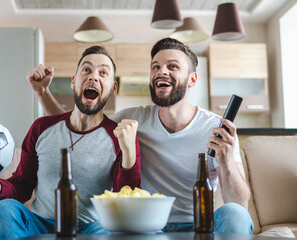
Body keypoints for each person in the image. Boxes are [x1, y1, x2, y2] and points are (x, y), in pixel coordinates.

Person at [31, 38, 253, 234]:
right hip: (147, 226)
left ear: (192, 79)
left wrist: (226, 162)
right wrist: (43, 93)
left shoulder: (216, 128)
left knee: (235, 214)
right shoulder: (132, 119)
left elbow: (240, 203)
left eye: (172, 66)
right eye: (155, 66)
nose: (161, 71)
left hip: (201, 224)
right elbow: (77, 123)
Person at [0, 46, 141, 239]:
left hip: (88, 230)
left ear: (113, 88)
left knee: (106, 232)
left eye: (103, 73)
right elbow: (22, 186)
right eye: (86, 70)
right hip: (40, 225)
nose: (93, 77)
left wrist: (129, 155)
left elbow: (125, 204)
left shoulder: (120, 136)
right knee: (3, 210)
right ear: (73, 81)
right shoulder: (41, 128)